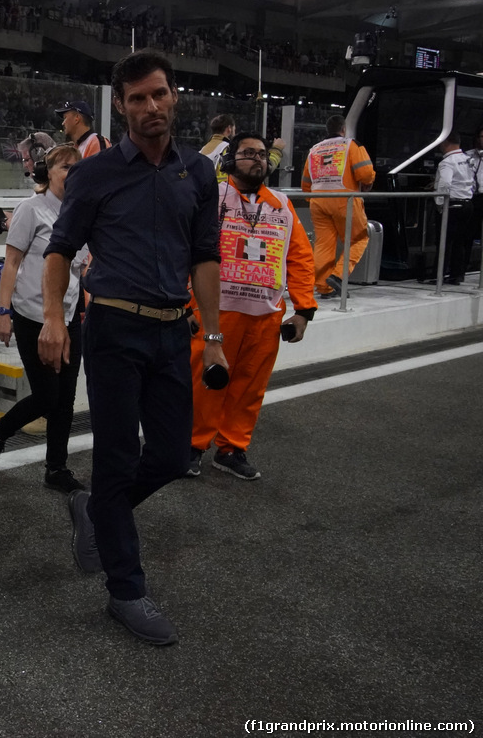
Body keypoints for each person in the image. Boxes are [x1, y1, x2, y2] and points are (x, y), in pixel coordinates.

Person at [39, 50, 225, 647]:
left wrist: (214, 336)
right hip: (114, 330)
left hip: (175, 331)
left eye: (160, 94)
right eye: (138, 98)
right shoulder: (94, 174)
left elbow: (205, 258)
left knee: (172, 456)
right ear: (120, 105)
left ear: (175, 97)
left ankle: (96, 510)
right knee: (118, 457)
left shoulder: (198, 173)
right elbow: (60, 250)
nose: (151, 106)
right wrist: (52, 318)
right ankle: (127, 590)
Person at [187, 133, 316, 481]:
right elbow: (186, 248)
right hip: (215, 312)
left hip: (265, 317)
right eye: (248, 153)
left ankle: (231, 448)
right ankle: (192, 446)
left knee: (249, 387)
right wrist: (185, 304)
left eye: (261, 154)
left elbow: (300, 258)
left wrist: (304, 310)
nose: (257, 159)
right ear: (230, 159)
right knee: (204, 384)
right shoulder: (211, 197)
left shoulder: (282, 204)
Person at [0, 143, 87, 492]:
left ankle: (56, 468)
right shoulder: (31, 209)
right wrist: (3, 312)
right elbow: (10, 264)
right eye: (65, 167)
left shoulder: (83, 214)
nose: (71, 174)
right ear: (48, 173)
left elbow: (84, 266)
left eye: (77, 167)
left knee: (65, 398)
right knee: (45, 397)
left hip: (69, 317)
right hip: (30, 315)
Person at [302, 115, 375, 298]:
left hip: (317, 200)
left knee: (324, 245)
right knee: (359, 238)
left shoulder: (314, 150)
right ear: (343, 129)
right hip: (345, 199)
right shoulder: (351, 145)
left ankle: (324, 287)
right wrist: (368, 182)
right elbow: (365, 174)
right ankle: (338, 277)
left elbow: (305, 182)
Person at [434, 133, 475, 285]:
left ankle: (438, 275)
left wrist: (439, 205)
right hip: (467, 203)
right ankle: (457, 275)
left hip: (452, 205)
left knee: (444, 241)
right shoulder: (468, 160)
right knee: (459, 242)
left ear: (445, 142)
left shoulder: (447, 162)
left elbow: (444, 184)